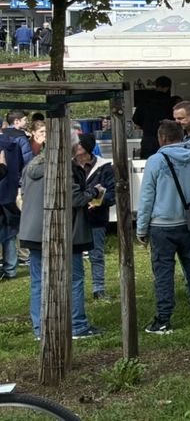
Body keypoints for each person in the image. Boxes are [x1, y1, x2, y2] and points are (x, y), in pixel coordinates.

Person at [21, 128, 104, 339]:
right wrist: (95, 192)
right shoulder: (63, 167)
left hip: (33, 230)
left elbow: (23, 193)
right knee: (74, 278)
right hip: (63, 230)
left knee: (39, 280)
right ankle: (77, 325)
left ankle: (40, 329)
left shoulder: (32, 164)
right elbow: (74, 199)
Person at [137, 120, 190, 333]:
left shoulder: (155, 161)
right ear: (183, 136)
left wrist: (141, 229)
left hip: (162, 225)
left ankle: (163, 319)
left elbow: (146, 197)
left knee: (163, 272)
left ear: (161, 138)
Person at [76, 134, 115, 301]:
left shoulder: (104, 167)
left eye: (78, 144)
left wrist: (99, 202)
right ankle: (76, 290)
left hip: (95, 217)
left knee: (96, 254)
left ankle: (98, 289)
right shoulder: (69, 165)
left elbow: (113, 193)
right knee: (74, 255)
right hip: (75, 218)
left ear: (86, 147)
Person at [0, 110, 34, 280]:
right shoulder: (20, 138)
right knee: (11, 229)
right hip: (12, 188)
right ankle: (11, 268)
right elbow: (28, 162)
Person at [132, 75, 177, 158]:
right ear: (168, 88)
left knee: (148, 163)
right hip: (167, 140)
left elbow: (136, 120)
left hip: (148, 140)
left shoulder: (144, 101)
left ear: (156, 86)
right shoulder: (171, 103)